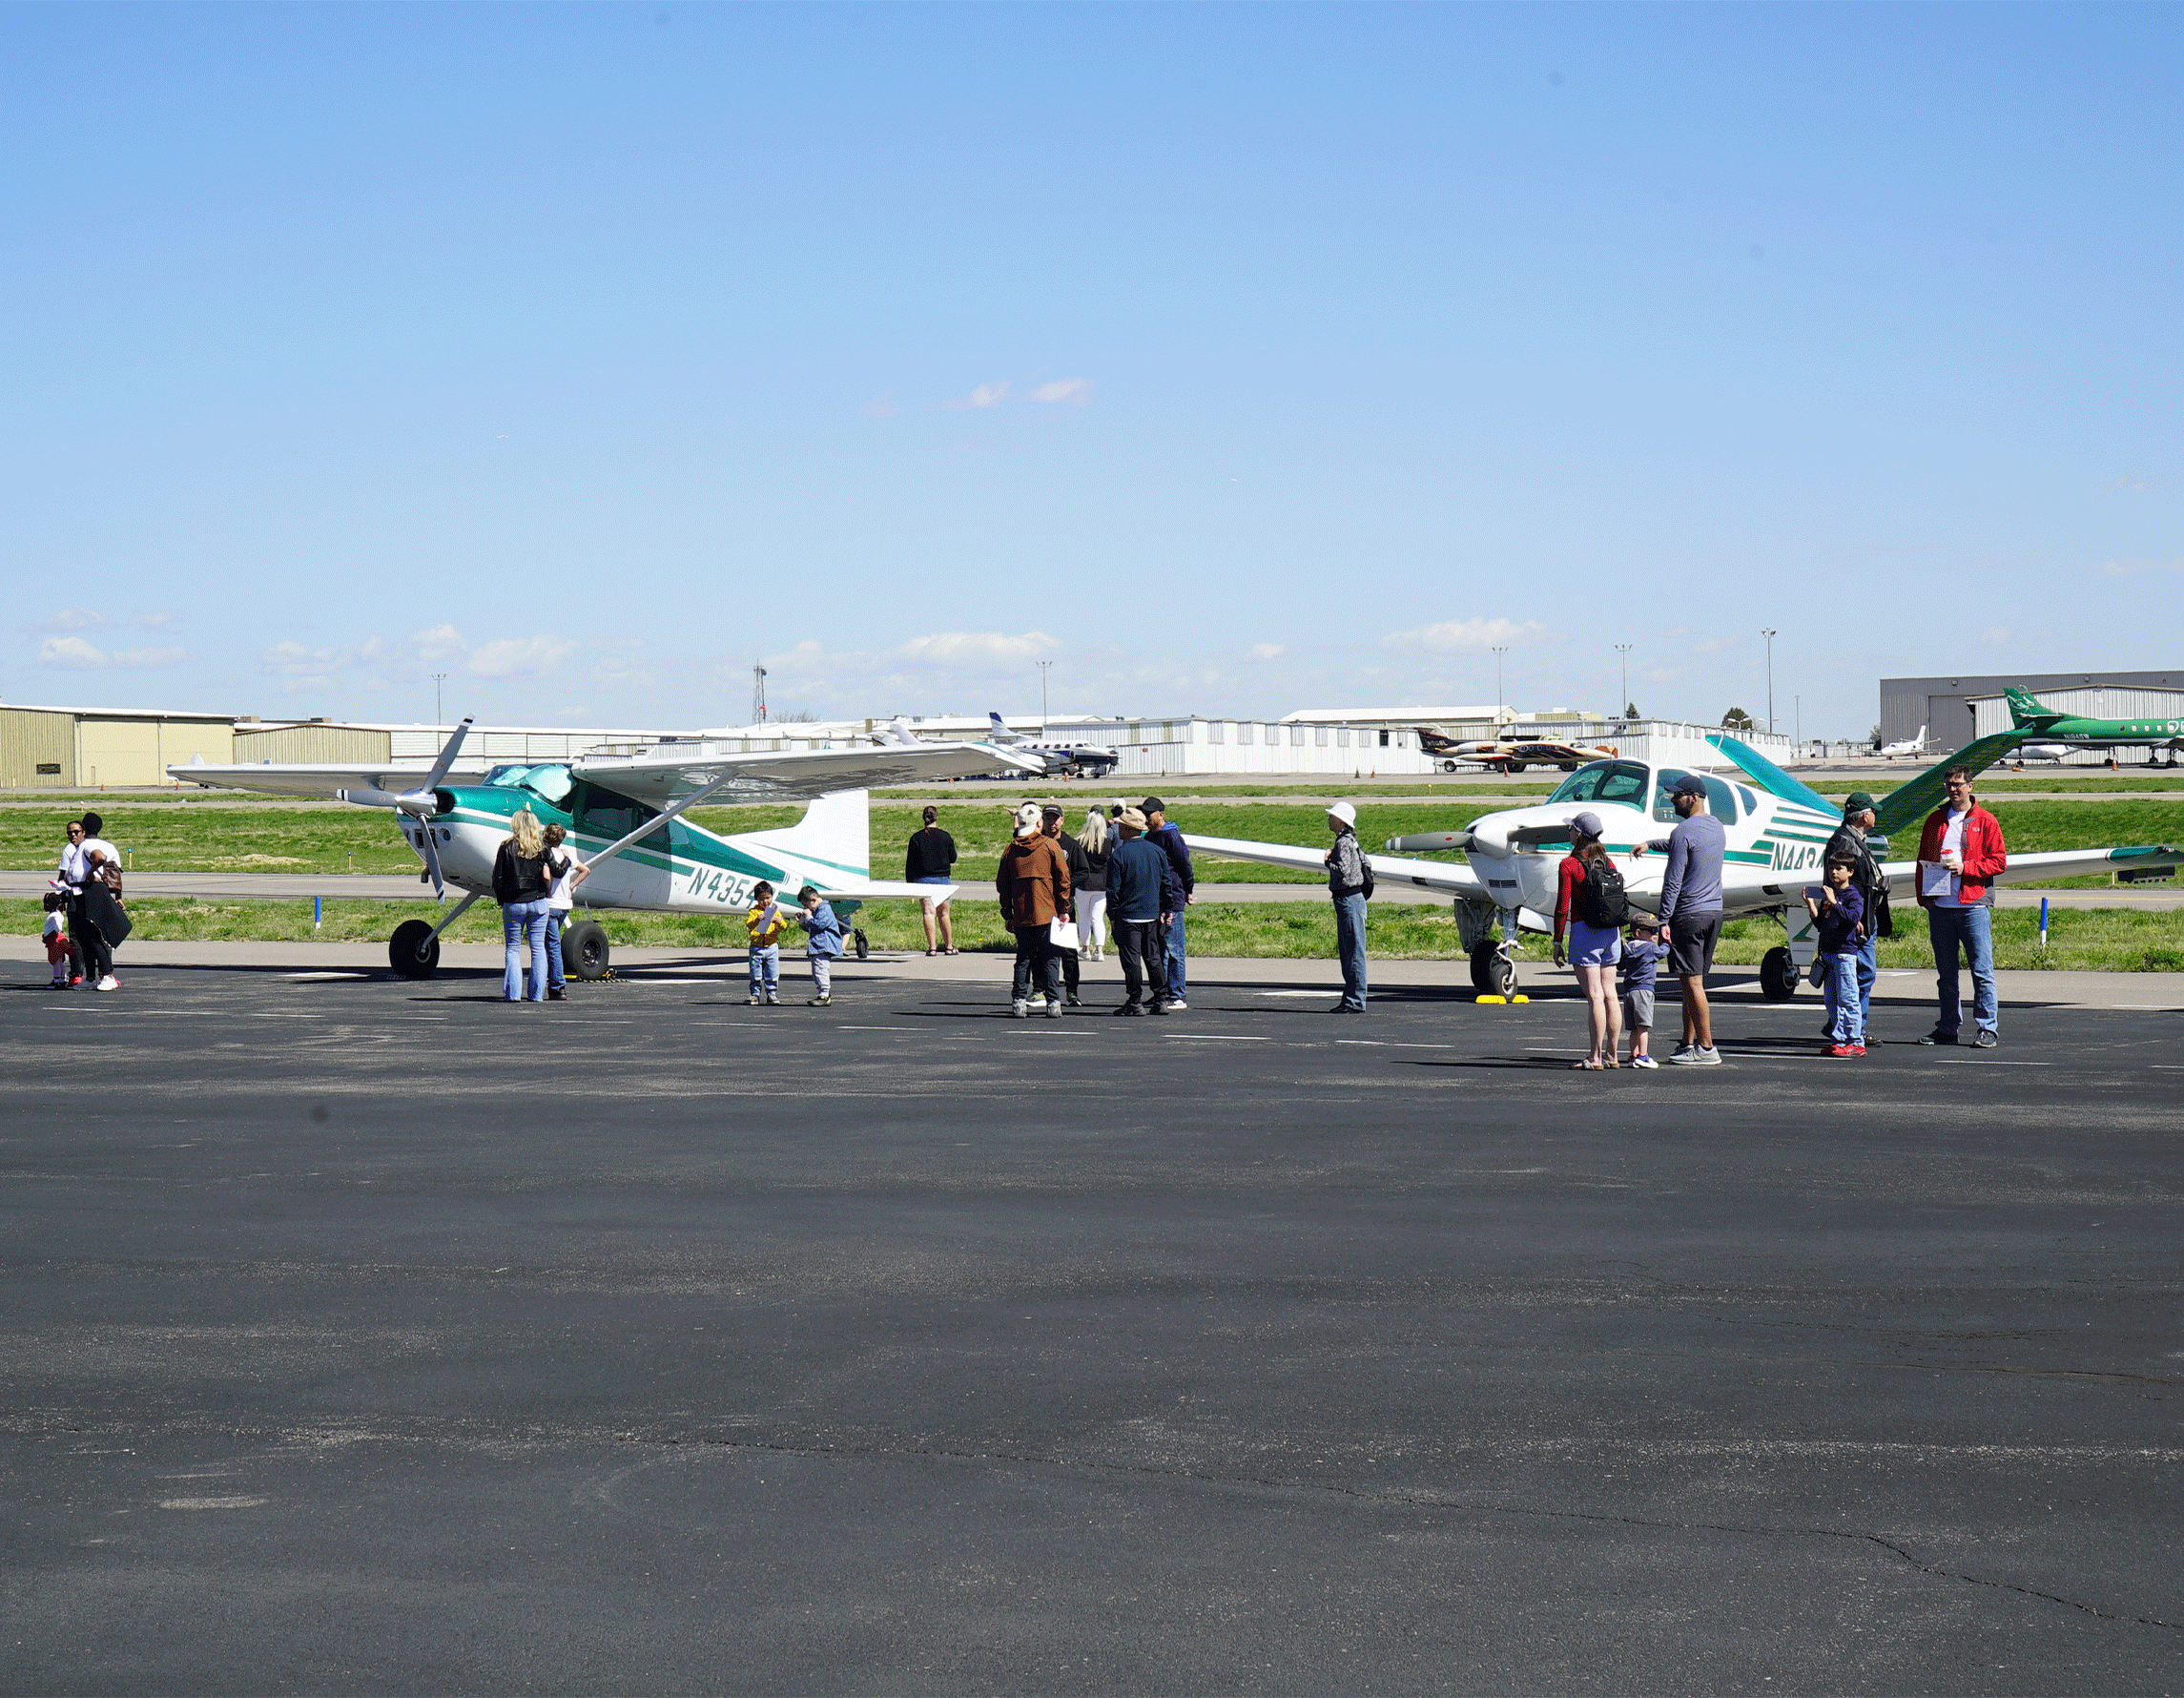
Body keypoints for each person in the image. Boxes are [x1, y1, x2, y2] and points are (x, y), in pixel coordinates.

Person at [1913, 765, 2008, 1048]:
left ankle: (1987, 1027)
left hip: (1973, 906)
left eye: (1958, 784)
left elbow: (1999, 862)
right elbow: (1922, 860)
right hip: (1941, 907)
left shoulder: (1986, 821)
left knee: (1981, 970)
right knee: (1946, 973)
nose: (1953, 790)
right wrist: (1924, 897)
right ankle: (1948, 1026)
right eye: (1949, 785)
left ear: (1970, 786)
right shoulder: (1935, 821)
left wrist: (1966, 867)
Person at [1638, 776, 1726, 1066]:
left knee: (1691, 984)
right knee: (1694, 982)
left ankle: (1707, 1047)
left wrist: (1663, 919)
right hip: (1714, 913)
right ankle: (1688, 1044)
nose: (1673, 800)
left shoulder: (1682, 832)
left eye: (1678, 796)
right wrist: (1652, 844)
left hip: (1688, 916)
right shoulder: (1716, 827)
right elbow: (1684, 844)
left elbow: (1672, 881)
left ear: (1694, 797)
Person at [1554, 814, 1623, 1068]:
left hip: (1585, 932)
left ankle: (1595, 1057)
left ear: (1579, 834)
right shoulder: (1608, 862)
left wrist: (1557, 940)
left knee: (1594, 997)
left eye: (1571, 828)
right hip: (1611, 932)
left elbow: (1563, 907)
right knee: (1611, 995)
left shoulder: (1568, 864)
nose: (1569, 832)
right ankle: (1613, 1055)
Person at [1823, 791, 1886, 1043]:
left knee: (1857, 974)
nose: (1874, 815)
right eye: (1872, 811)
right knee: (1859, 974)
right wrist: (1853, 915)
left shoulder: (1851, 839)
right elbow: (1840, 883)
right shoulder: (1846, 842)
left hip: (1858, 916)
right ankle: (1851, 1028)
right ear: (1864, 816)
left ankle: (1846, 1024)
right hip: (1855, 920)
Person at [997, 805, 1072, 1018]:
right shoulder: (1050, 846)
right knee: (1050, 959)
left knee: (1024, 958)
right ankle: (1053, 1002)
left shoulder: (1010, 850)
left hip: (1022, 915)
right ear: (1039, 824)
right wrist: (1063, 907)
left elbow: (1003, 885)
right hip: (1048, 914)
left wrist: (1008, 913)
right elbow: (1064, 879)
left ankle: (1019, 1001)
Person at [1104, 807, 1176, 1015]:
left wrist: (1112, 916)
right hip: (1152, 915)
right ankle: (1161, 999)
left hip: (1128, 916)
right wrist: (1166, 908)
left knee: (1132, 960)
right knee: (1153, 958)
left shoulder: (1119, 856)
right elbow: (1166, 883)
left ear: (1126, 829)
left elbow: (1113, 890)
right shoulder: (1157, 851)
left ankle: (1135, 1000)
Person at [491, 807, 554, 1003]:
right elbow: (553, 871)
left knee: (513, 949)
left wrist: (502, 899)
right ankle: (536, 995)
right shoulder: (542, 847)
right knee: (538, 949)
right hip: (538, 901)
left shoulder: (507, 846)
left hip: (514, 902)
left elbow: (497, 878)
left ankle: (513, 994)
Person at [1807, 855, 1868, 1057]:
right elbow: (1821, 925)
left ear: (1850, 872)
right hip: (1829, 954)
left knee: (1848, 999)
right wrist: (1811, 905)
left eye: (1839, 868)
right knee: (1831, 999)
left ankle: (1855, 1041)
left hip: (1844, 954)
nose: (1834, 872)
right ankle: (1839, 1038)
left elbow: (1853, 918)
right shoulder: (1829, 895)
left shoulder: (1853, 895)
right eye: (1831, 868)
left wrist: (1834, 903)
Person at [1143, 797, 1195, 1010]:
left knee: (1174, 949)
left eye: (1149, 814)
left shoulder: (1171, 836)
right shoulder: (1150, 837)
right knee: (1160, 948)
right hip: (1156, 899)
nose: (1146, 818)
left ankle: (1177, 994)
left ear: (1161, 815)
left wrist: (1186, 892)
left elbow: (1184, 865)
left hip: (1172, 898)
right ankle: (1162, 992)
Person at [1324, 800, 1370, 1013]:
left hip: (1348, 900)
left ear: (1341, 821)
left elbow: (1342, 870)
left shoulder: (1343, 843)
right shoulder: (1352, 841)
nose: (1329, 819)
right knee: (1352, 949)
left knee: (1352, 951)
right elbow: (1365, 864)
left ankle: (1355, 1000)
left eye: (1332, 816)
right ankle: (1352, 998)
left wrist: (1328, 861)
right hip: (1355, 900)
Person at [1047, 803, 1092, 1006]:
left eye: (1055, 818)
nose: (1052, 822)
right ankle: (1042, 990)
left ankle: (1072, 991)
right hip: (1042, 905)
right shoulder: (1038, 842)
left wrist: (1065, 886)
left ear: (1062, 820)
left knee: (1068, 951)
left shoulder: (1071, 845)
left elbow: (1083, 872)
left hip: (1064, 905)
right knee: (1044, 950)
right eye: (1047, 818)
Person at [540, 822, 589, 1003]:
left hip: (551, 903)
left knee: (551, 946)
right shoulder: (565, 855)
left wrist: (546, 891)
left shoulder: (546, 855)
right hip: (564, 904)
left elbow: (546, 876)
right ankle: (555, 983)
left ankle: (557, 985)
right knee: (551, 944)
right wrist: (572, 886)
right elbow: (585, 870)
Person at [904, 805, 958, 956]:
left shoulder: (916, 838)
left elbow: (910, 863)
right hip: (942, 879)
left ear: (923, 818)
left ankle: (932, 947)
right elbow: (953, 858)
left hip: (923, 879)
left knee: (929, 913)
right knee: (944, 914)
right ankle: (949, 946)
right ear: (937, 817)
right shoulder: (945, 836)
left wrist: (910, 883)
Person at [1618, 915, 1668, 1068]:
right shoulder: (1651, 948)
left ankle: (1634, 1055)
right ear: (1639, 932)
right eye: (1653, 930)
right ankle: (1644, 1055)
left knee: (1633, 1028)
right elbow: (1663, 952)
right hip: (1644, 990)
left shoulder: (1627, 948)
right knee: (1643, 1027)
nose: (1656, 933)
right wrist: (1666, 942)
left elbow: (1620, 965)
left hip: (1629, 991)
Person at [744, 880, 794, 1004]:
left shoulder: (775, 911)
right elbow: (749, 924)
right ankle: (755, 994)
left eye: (768, 898)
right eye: (761, 899)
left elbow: (784, 926)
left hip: (771, 947)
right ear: (756, 900)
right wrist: (757, 918)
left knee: (772, 971)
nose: (765, 902)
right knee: (755, 972)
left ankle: (771, 993)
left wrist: (779, 921)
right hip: (757, 947)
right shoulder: (753, 911)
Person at [794, 884, 845, 1005]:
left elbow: (818, 925)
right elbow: (812, 929)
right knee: (817, 970)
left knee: (821, 969)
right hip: (818, 946)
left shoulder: (824, 909)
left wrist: (809, 917)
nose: (807, 908)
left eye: (807, 905)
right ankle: (823, 993)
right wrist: (803, 921)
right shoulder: (818, 910)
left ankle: (824, 995)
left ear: (813, 900)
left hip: (824, 945)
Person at [1074, 806, 1111, 963]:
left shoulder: (1080, 841)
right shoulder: (1107, 843)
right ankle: (1100, 951)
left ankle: (1085, 949)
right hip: (1101, 884)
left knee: (1084, 917)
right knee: (1098, 918)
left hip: (1083, 884)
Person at [42, 888, 72, 989]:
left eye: (47, 903)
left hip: (55, 941)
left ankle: (57, 980)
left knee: (55, 961)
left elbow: (57, 929)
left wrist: (47, 937)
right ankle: (62, 979)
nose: (45, 906)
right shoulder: (55, 915)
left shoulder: (54, 916)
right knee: (59, 961)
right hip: (57, 940)